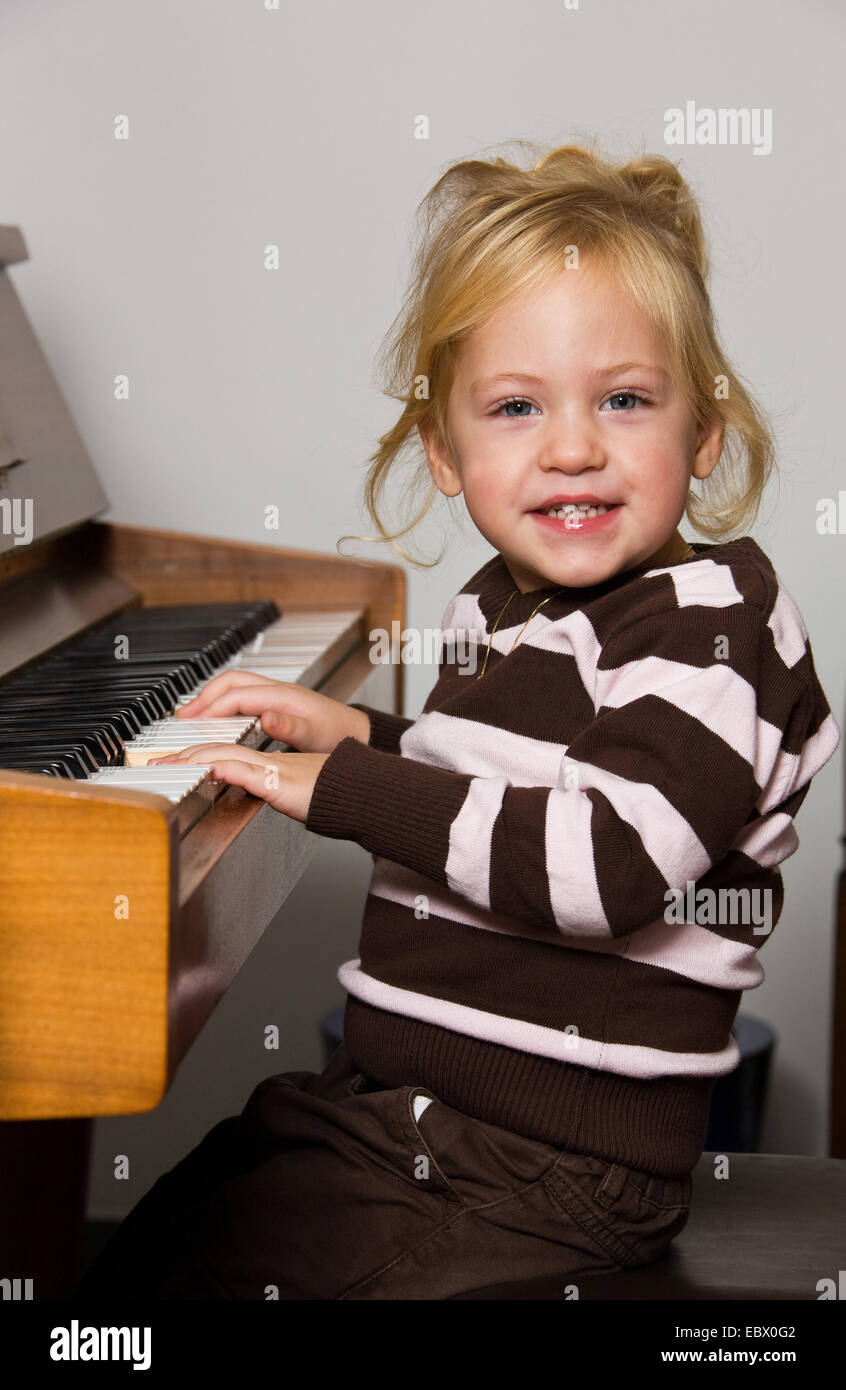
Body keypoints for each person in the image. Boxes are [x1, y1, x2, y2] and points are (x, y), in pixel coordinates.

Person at [75, 138, 841, 1301]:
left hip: (550, 1166)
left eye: (625, 400)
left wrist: (341, 791)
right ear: (446, 449)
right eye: (518, 406)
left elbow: (606, 860)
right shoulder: (514, 605)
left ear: (704, 434)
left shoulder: (716, 625)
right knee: (176, 1215)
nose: (573, 445)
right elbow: (501, 787)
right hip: (423, 1118)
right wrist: (360, 737)